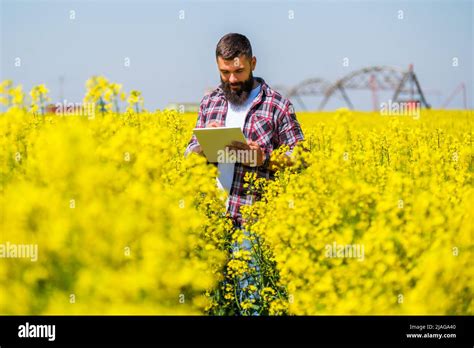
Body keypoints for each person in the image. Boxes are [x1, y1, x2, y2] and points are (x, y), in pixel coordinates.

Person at [184, 33, 305, 314]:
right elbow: (189, 152)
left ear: (252, 63)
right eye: (225, 72)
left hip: (253, 220)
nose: (232, 80)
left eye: (239, 71)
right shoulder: (210, 103)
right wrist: (203, 145)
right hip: (212, 221)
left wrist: (265, 157)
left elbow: (301, 157)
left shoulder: (277, 105)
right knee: (213, 303)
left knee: (250, 303)